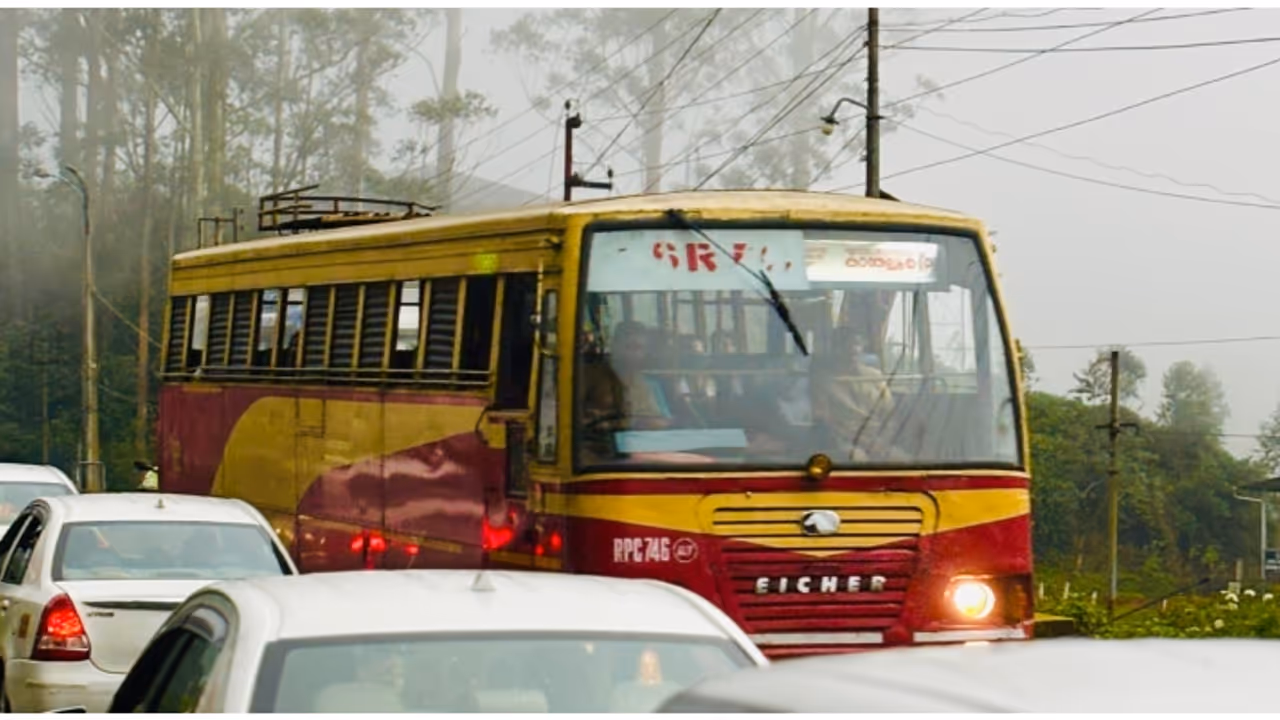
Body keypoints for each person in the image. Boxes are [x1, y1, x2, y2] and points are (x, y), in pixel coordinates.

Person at [811, 327, 903, 461]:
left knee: (903, 462)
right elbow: (825, 420)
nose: (853, 349)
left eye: (857, 344)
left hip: (878, 439)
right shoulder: (823, 380)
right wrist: (862, 442)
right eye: (847, 344)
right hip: (843, 441)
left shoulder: (874, 376)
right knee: (858, 461)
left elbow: (890, 415)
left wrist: (883, 441)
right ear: (836, 348)